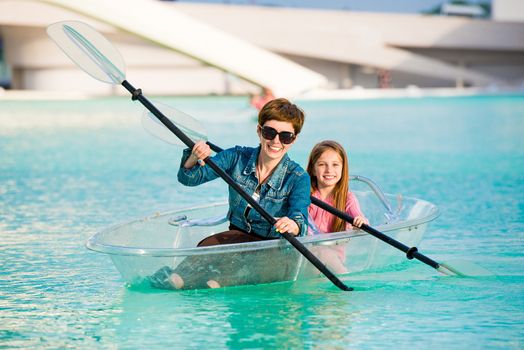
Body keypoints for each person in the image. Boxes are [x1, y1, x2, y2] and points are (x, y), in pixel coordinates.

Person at [149, 98, 310, 290]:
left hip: (273, 250)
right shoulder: (235, 157)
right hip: (236, 239)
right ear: (259, 131)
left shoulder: (299, 177)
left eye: (286, 136)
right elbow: (189, 179)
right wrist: (194, 157)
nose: (276, 141)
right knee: (176, 280)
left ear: (294, 139)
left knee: (214, 284)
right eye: (270, 132)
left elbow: (300, 217)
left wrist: (293, 224)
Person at [306, 140, 368, 274]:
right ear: (313, 170)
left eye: (335, 165)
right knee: (318, 252)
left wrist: (360, 222)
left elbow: (360, 217)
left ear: (342, 168)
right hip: (307, 256)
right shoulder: (306, 197)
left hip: (336, 259)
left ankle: (344, 283)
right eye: (322, 165)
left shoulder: (347, 198)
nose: (329, 170)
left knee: (324, 253)